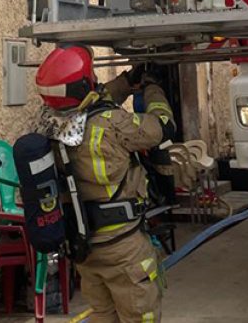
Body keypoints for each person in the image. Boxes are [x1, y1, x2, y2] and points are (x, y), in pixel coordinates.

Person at [34, 45, 176, 323]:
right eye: (92, 76)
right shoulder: (112, 124)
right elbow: (163, 125)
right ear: (86, 82)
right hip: (124, 248)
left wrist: (127, 80)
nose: (96, 80)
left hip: (85, 248)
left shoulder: (50, 126)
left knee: (103, 317)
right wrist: (152, 88)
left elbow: (93, 99)